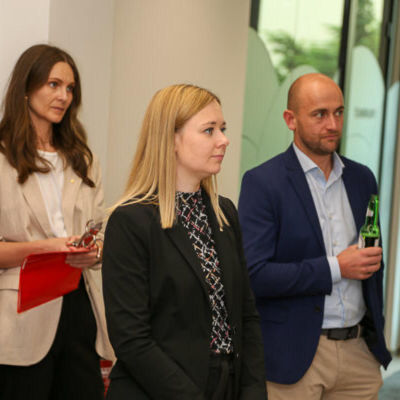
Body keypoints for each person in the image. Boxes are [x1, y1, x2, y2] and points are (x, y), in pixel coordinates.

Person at [102, 84, 267, 400]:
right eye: (209, 130)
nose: (224, 140)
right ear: (171, 140)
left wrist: (253, 390)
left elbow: (246, 315)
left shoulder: (224, 213)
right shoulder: (131, 221)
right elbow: (132, 339)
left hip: (226, 385)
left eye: (223, 129)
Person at [238, 73, 392, 400]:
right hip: (294, 357)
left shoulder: (362, 178)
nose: (333, 124)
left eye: (338, 112)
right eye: (319, 114)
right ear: (290, 120)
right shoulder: (263, 183)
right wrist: (337, 267)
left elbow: (372, 262)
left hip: (358, 354)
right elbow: (254, 275)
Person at [0, 44, 114, 399]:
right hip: (21, 312)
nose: (64, 96)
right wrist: (47, 248)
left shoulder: (82, 158)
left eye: (70, 88)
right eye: (53, 84)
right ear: (26, 87)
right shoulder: (2, 157)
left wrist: (94, 253)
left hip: (79, 304)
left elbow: (101, 233)